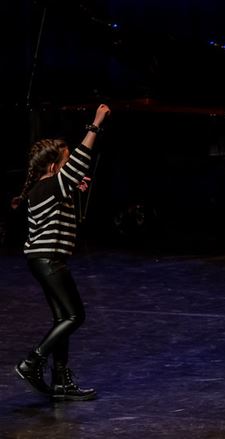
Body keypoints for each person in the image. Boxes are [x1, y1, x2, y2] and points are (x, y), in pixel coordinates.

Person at [14, 104, 111, 400]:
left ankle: (60, 381)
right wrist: (95, 124)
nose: (71, 167)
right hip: (48, 260)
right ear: (55, 167)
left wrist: (72, 188)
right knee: (74, 316)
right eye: (66, 164)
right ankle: (32, 362)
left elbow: (69, 180)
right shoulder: (49, 186)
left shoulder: (47, 187)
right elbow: (82, 159)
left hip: (43, 260)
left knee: (62, 319)